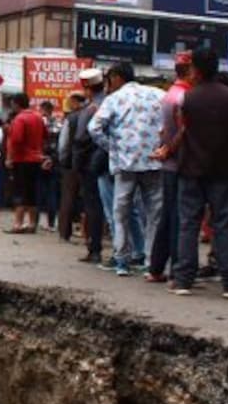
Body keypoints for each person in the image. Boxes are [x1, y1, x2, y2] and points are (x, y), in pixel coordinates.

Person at [157, 49, 228, 298]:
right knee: (225, 224)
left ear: (195, 69)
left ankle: (183, 279)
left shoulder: (188, 98)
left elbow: (183, 132)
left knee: (189, 223)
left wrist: (168, 150)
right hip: (225, 169)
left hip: (192, 168)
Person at [88, 61, 165, 277]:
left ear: (117, 78)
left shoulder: (114, 99)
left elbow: (94, 128)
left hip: (125, 163)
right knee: (154, 214)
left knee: (120, 213)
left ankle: (122, 260)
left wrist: (112, 147)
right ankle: (151, 261)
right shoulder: (159, 94)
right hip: (153, 162)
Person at [146, 52, 193, 284]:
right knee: (178, 218)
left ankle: (156, 267)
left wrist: (165, 149)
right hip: (179, 163)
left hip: (170, 164)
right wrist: (169, 149)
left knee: (168, 215)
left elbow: (165, 130)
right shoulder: (183, 97)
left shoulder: (170, 95)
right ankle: (177, 268)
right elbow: (184, 131)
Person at [73, 69, 108, 264]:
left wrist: (76, 162)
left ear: (86, 87)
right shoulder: (110, 103)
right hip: (110, 161)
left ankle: (94, 249)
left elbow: (80, 138)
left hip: (91, 163)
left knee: (93, 206)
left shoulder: (91, 108)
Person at [4, 93, 47, 234]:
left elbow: (16, 140)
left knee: (19, 192)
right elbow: (45, 136)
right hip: (36, 159)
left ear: (16, 104)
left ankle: (18, 224)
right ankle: (32, 223)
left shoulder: (19, 119)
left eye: (12, 103)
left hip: (22, 160)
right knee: (32, 192)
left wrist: (10, 157)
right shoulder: (38, 117)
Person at [57, 92, 87, 242]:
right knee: (89, 198)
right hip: (88, 162)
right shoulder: (92, 113)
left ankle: (64, 232)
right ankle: (88, 233)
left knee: (68, 197)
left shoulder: (71, 118)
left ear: (74, 102)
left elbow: (63, 143)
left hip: (70, 162)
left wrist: (62, 160)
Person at [36, 101, 62, 231]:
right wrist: (52, 159)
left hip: (39, 160)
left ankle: (38, 221)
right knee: (52, 192)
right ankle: (52, 223)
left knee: (39, 191)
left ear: (42, 109)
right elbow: (61, 145)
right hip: (53, 161)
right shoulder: (58, 124)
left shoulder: (39, 123)